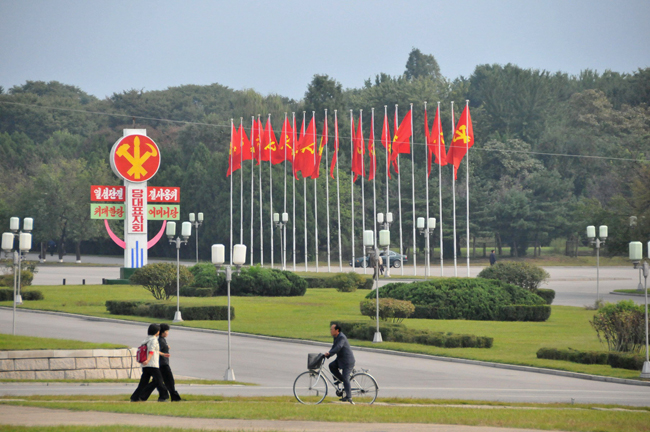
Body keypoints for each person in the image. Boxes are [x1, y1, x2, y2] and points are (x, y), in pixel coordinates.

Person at [140, 323, 181, 401]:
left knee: (156, 382)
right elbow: (155, 351)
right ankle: (173, 397)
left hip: (161, 363)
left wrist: (166, 346)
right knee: (169, 381)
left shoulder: (162, 340)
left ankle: (144, 396)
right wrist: (163, 353)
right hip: (162, 364)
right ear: (163, 332)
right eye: (167, 331)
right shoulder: (160, 341)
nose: (168, 333)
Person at [130, 323, 169, 402]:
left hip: (145, 365)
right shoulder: (154, 340)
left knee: (143, 382)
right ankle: (163, 397)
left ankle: (135, 397)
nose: (159, 332)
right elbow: (151, 351)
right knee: (159, 381)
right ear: (156, 332)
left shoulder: (146, 339)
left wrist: (163, 354)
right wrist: (148, 360)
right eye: (158, 331)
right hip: (152, 364)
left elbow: (155, 351)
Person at [324, 323, 355, 403]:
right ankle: (340, 380)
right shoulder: (336, 337)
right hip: (341, 359)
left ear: (337, 330)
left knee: (346, 378)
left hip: (347, 361)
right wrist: (328, 354)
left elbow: (338, 347)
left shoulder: (341, 337)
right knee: (331, 366)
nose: (330, 331)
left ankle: (349, 396)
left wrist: (330, 353)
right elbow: (334, 347)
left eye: (332, 329)